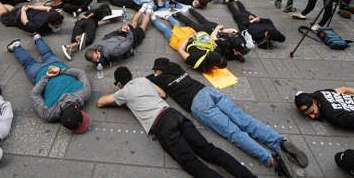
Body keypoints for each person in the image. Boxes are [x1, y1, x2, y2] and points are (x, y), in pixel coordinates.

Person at [147, 58, 307, 173]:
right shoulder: (176, 68)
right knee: (245, 120)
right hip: (207, 91)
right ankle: (280, 142)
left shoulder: (159, 77)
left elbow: (158, 91)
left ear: (158, 70)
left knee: (233, 132)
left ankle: (271, 160)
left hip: (198, 104)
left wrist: (153, 77)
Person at [97, 66, 257, 178]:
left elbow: (100, 102)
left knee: (191, 163)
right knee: (210, 151)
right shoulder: (143, 80)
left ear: (119, 83)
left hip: (162, 125)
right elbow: (163, 94)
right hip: (174, 114)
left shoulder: (123, 92)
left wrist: (121, 92)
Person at [6, 37, 90, 133]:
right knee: (28, 63)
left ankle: (38, 38)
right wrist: (45, 77)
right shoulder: (49, 114)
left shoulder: (84, 93)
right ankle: (16, 47)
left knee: (47, 54)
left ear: (76, 108)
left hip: (56, 65)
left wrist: (59, 71)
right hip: (38, 73)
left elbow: (80, 73)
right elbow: (34, 95)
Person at [152, 15, 228, 73]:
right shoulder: (205, 63)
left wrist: (188, 38)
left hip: (181, 41)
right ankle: (167, 17)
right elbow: (213, 39)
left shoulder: (195, 62)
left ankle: (153, 19)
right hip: (191, 37)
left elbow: (180, 50)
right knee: (175, 26)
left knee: (167, 30)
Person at [84, 6, 151, 67]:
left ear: (97, 51)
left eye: (97, 58)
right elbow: (109, 35)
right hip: (121, 34)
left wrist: (128, 31)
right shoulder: (98, 46)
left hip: (129, 36)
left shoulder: (113, 52)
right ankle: (143, 8)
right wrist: (121, 30)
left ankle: (148, 11)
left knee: (142, 27)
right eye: (94, 61)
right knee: (133, 23)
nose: (98, 61)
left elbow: (129, 41)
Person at [0, 2, 64, 35]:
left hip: (29, 10)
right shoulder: (37, 27)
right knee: (4, 17)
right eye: (56, 27)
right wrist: (23, 10)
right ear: (49, 24)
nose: (58, 28)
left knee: (13, 10)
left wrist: (32, 7)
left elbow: (47, 8)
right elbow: (24, 21)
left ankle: (2, 5)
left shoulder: (55, 15)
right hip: (19, 16)